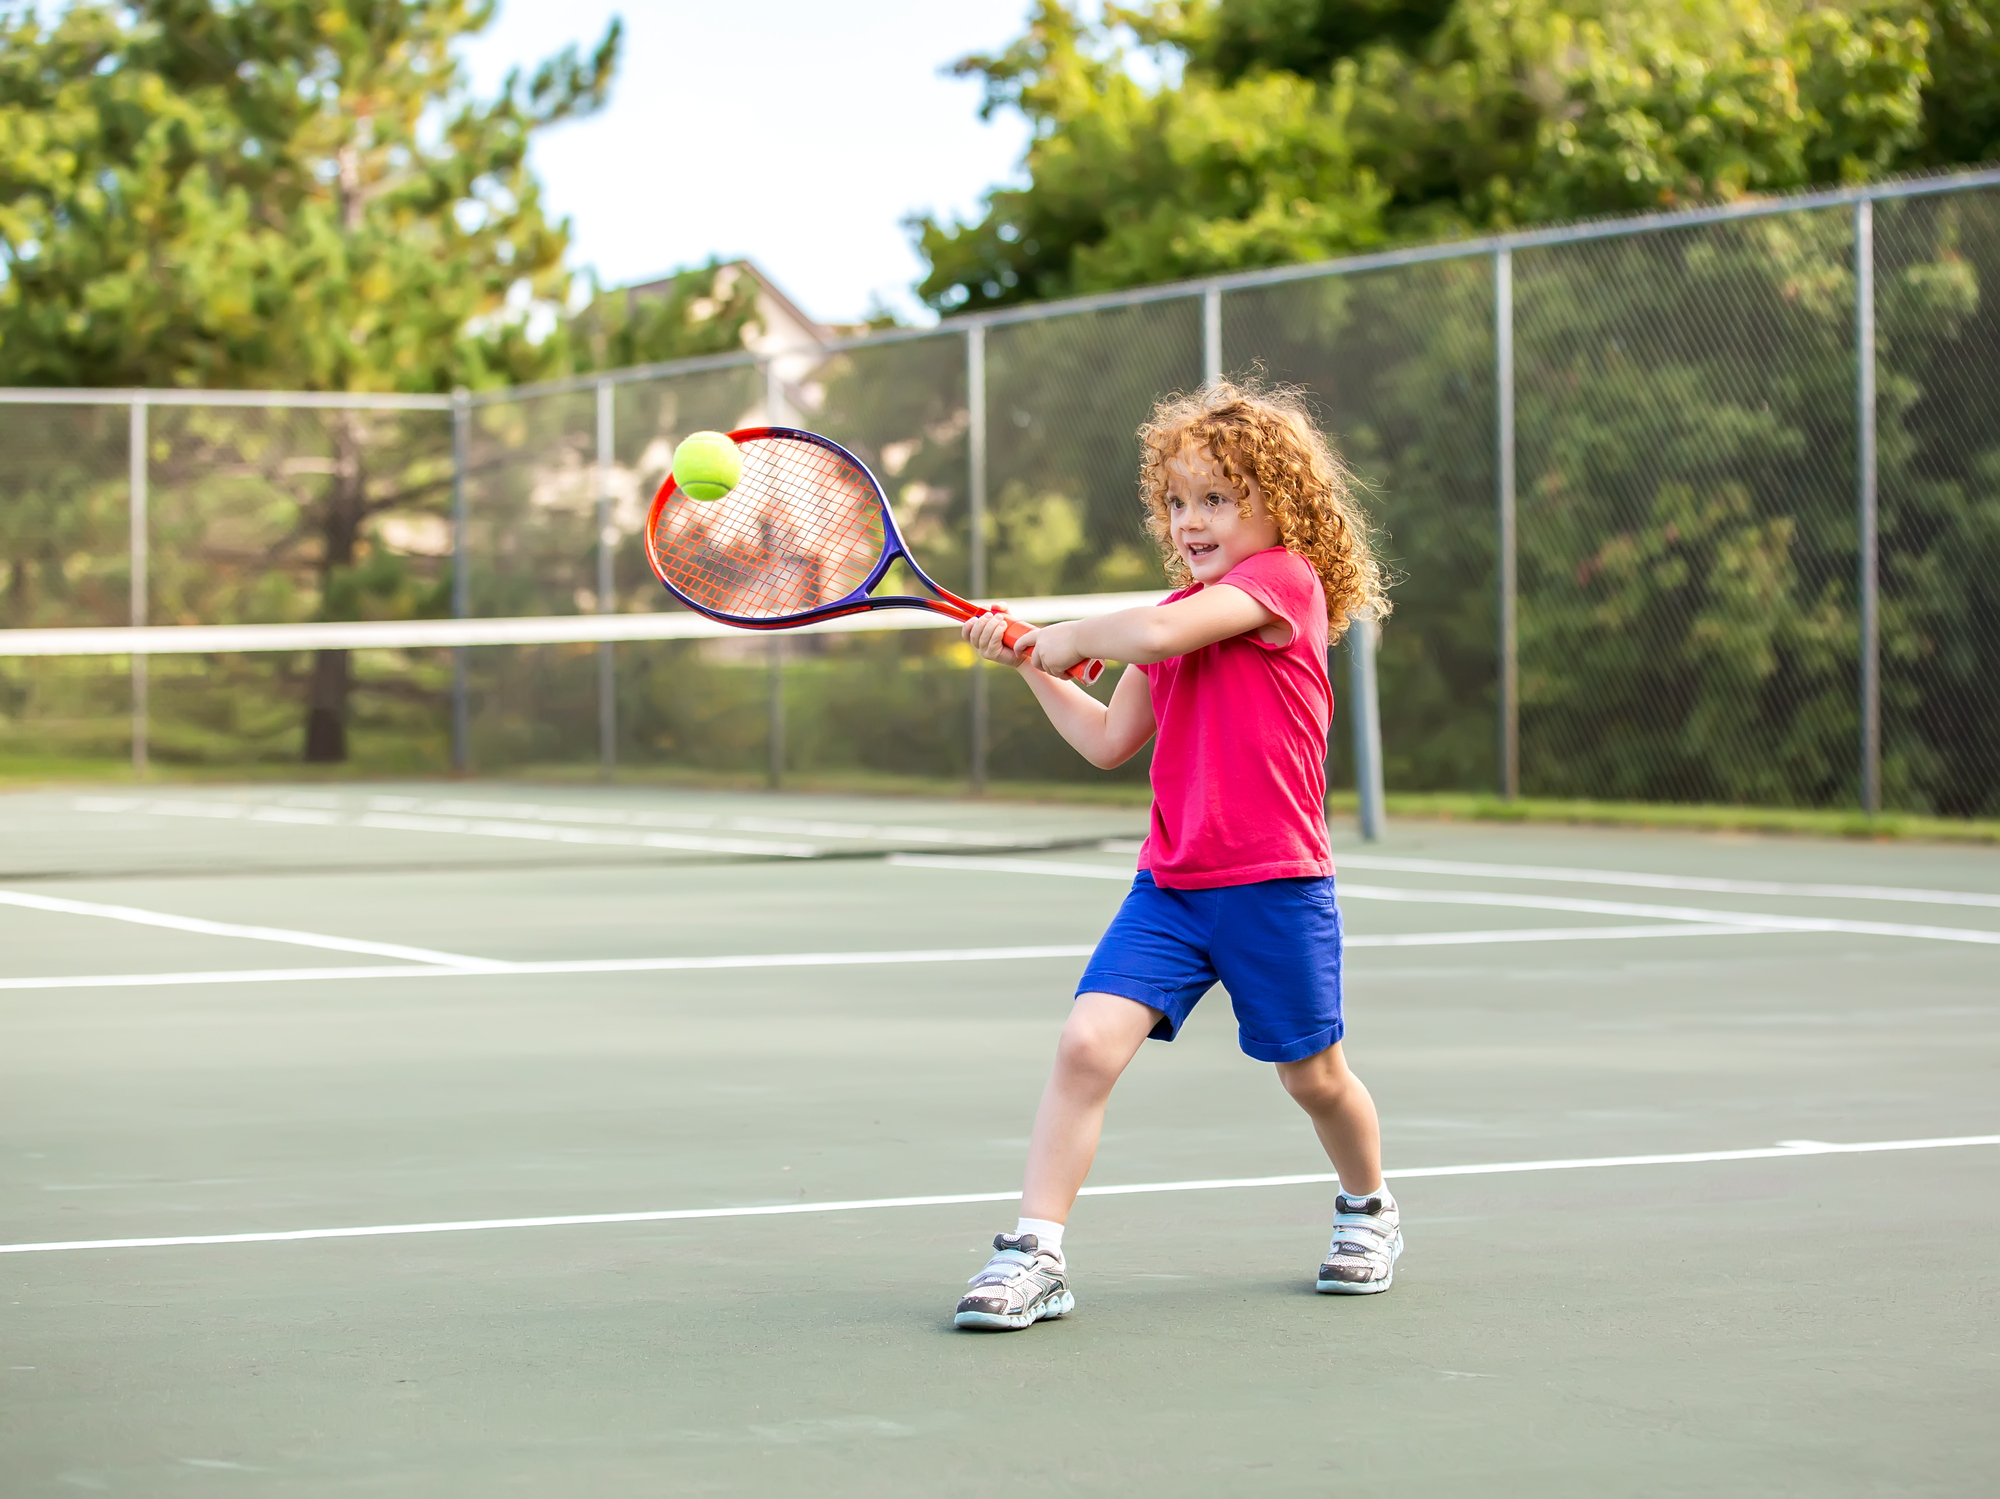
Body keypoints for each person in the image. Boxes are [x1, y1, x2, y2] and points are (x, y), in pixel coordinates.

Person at [951, 381, 1397, 1332]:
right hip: (1172, 889)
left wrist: (1060, 633)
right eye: (1178, 501)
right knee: (1083, 1047)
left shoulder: (1283, 584)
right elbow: (1111, 739)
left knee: (1314, 1077)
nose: (1191, 521)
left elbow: (1148, 632)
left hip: (1275, 887)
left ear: (1280, 505)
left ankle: (1369, 1210)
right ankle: (1034, 1253)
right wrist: (1036, 663)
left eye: (1218, 499)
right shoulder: (1176, 616)